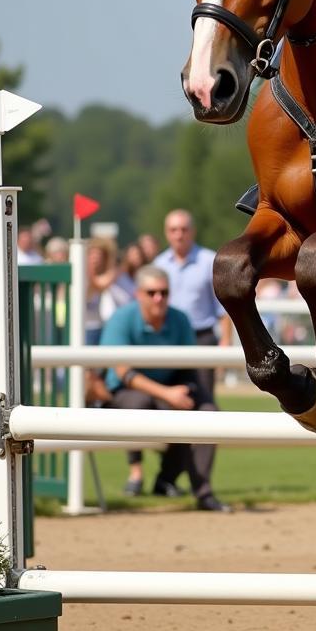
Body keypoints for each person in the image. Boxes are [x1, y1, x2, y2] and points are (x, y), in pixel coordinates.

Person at [100, 265, 228, 511]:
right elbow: (123, 372)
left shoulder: (179, 318)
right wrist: (168, 394)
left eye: (164, 292)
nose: (159, 298)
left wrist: (185, 392)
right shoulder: (122, 319)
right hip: (125, 393)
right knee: (141, 403)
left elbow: (189, 365)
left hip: (167, 386)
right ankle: (136, 473)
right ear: (138, 294)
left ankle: (199, 491)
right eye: (151, 292)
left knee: (207, 412)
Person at [153, 210, 231, 399]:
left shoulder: (209, 261)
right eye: (173, 230)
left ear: (192, 231)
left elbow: (223, 307)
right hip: (167, 337)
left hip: (201, 337)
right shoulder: (158, 265)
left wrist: (225, 343)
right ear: (166, 233)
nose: (179, 234)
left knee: (203, 395)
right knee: (167, 395)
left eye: (183, 229)